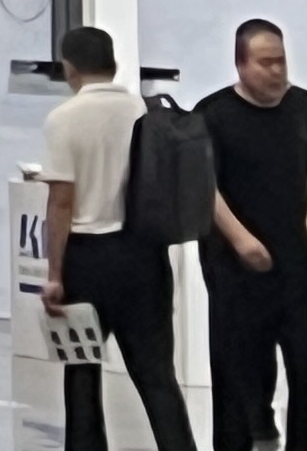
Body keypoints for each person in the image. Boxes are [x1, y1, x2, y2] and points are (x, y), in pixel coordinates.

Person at [201, 17, 307, 451]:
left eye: (281, 61)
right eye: (265, 63)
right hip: (235, 266)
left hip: (293, 259)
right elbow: (203, 187)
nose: (277, 71)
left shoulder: (305, 107)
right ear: (241, 64)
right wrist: (241, 239)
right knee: (238, 368)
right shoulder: (212, 115)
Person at [41, 23, 193, 451]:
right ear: (114, 63)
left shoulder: (64, 119)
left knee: (82, 371)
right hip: (145, 256)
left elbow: (61, 202)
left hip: (87, 259)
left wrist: (54, 274)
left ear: (68, 67)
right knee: (157, 375)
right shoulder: (146, 111)